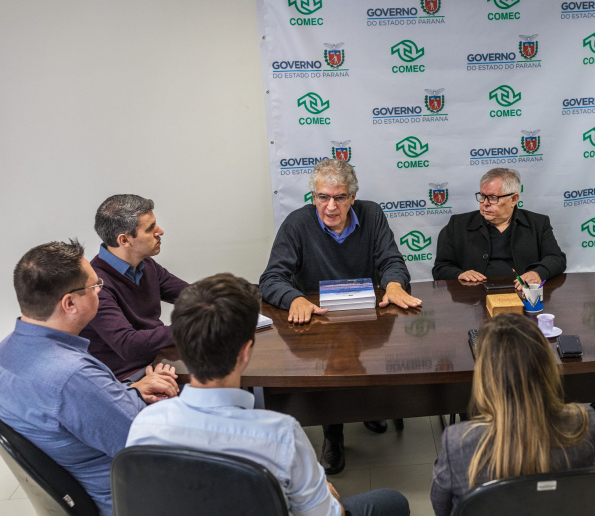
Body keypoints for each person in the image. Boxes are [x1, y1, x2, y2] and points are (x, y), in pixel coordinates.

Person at [127, 273, 410, 516]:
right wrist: (329, 496)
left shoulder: (144, 425)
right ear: (245, 351)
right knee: (392, 502)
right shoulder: (280, 435)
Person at [259, 159, 422, 474]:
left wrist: (392, 283)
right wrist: (294, 298)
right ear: (314, 197)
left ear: (352, 197)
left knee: (371, 355)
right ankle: (332, 432)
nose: (331, 206)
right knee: (333, 366)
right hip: (322, 319)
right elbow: (270, 279)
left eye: (340, 197)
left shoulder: (372, 214)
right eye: (323, 197)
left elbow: (392, 260)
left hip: (366, 315)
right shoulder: (297, 223)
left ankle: (366, 408)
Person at [0, 240, 178, 516]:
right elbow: (151, 446)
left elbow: (70, 412)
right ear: (70, 303)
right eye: (96, 286)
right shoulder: (74, 376)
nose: (100, 291)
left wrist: (127, 390)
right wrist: (171, 402)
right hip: (132, 497)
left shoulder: (7, 351)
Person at [430, 313, 595, 516]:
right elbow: (594, 491)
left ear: (486, 377)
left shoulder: (458, 442)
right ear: (547, 368)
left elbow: (442, 509)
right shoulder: (584, 422)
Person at [80, 194, 188, 381]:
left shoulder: (147, 265)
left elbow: (192, 295)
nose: (160, 231)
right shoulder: (95, 285)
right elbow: (128, 344)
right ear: (124, 240)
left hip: (157, 360)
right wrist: (193, 327)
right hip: (127, 378)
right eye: (151, 228)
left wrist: (241, 294)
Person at [432, 167, 566, 288]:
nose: (485, 203)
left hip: (523, 294)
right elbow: (440, 268)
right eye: (482, 196)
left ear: (513, 199)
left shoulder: (538, 223)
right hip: (475, 298)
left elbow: (556, 258)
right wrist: (459, 274)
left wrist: (538, 273)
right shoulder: (458, 224)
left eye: (492, 198)